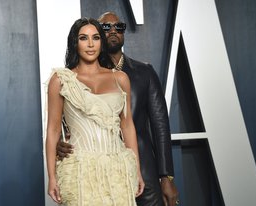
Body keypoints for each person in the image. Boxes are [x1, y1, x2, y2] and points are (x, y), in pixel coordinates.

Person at [57, 12, 179, 206]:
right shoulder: (75, 76)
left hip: (142, 168)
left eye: (119, 27)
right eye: (106, 27)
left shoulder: (144, 72)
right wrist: (60, 143)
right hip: (96, 169)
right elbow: (68, 121)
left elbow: (160, 126)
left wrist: (167, 177)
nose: (113, 31)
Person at [45, 17, 144, 206]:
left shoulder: (120, 78)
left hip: (118, 170)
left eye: (96, 38)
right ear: (75, 42)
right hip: (80, 172)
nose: (90, 44)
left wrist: (137, 170)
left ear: (102, 42)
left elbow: (127, 125)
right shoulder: (61, 80)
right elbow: (53, 130)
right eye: (83, 38)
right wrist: (52, 177)